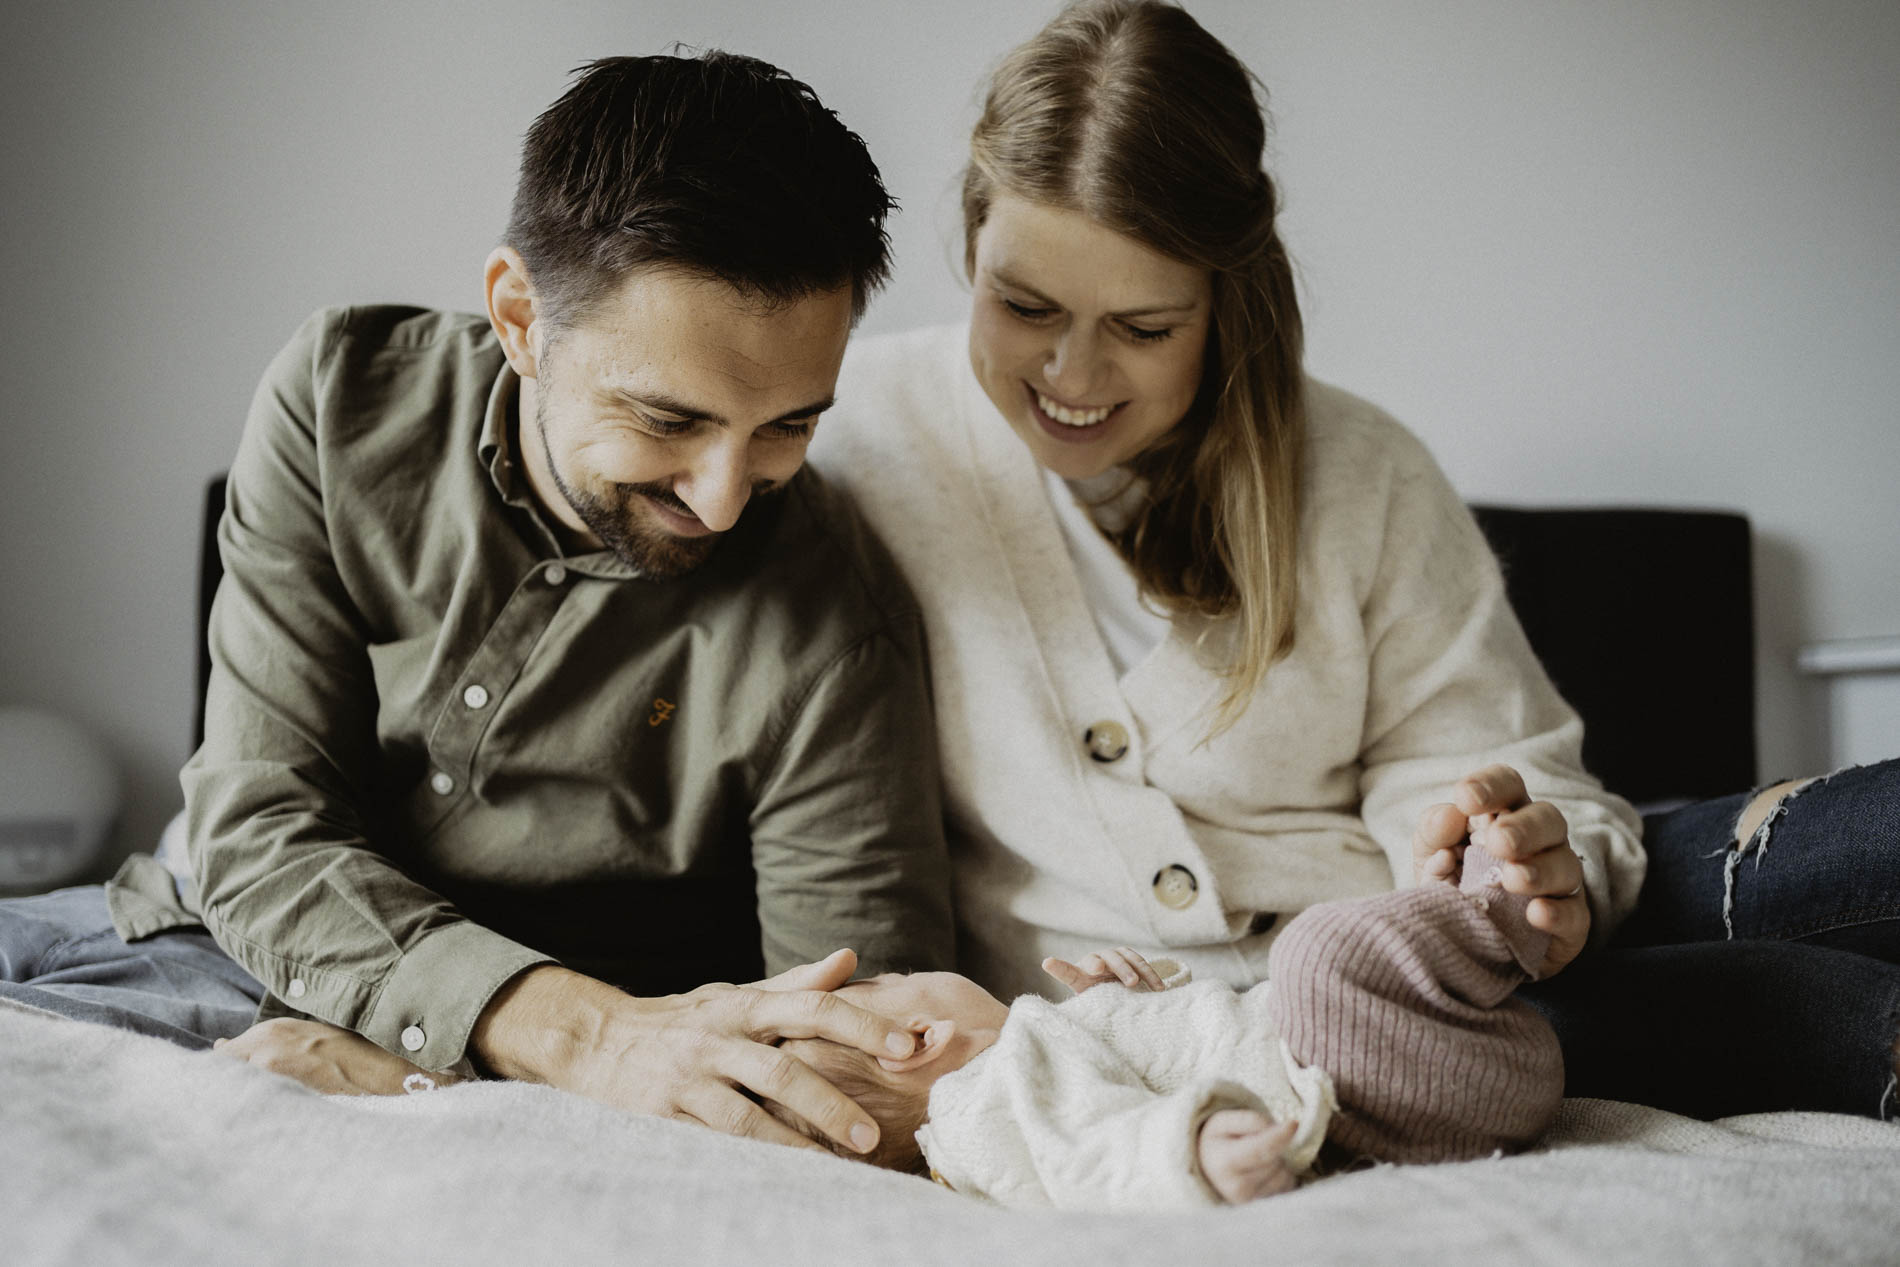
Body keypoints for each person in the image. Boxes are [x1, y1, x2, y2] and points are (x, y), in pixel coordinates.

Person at [809, 0, 1900, 1120]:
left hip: (1442, 948)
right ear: (967, 236)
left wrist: (1496, 859)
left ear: (1224, 300)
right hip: (1287, 1027)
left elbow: (1499, 771)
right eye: (1023, 304)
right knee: (1812, 1007)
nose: (1071, 373)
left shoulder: (1361, 468)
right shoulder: (857, 440)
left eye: (1143, 327)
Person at [0, 50, 958, 1159]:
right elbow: (258, 829)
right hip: (195, 935)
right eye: (667, 420)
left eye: (789, 424)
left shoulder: (835, 622)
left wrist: (428, 1080)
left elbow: (858, 1070)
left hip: (557, 1075)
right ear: (518, 316)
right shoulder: (337, 402)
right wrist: (583, 1038)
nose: (724, 494)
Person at [769, 840, 1563, 1209]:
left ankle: (1486, 931)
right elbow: (1092, 1150)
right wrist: (1189, 1152)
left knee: (1316, 968)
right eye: (902, 978)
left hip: (1440, 1091)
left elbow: (1162, 1060)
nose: (915, 970)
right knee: (1312, 954)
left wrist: (1127, 1002)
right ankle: (1498, 917)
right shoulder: (988, 1088)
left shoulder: (1030, 1063)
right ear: (915, 1038)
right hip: (1348, 1087)